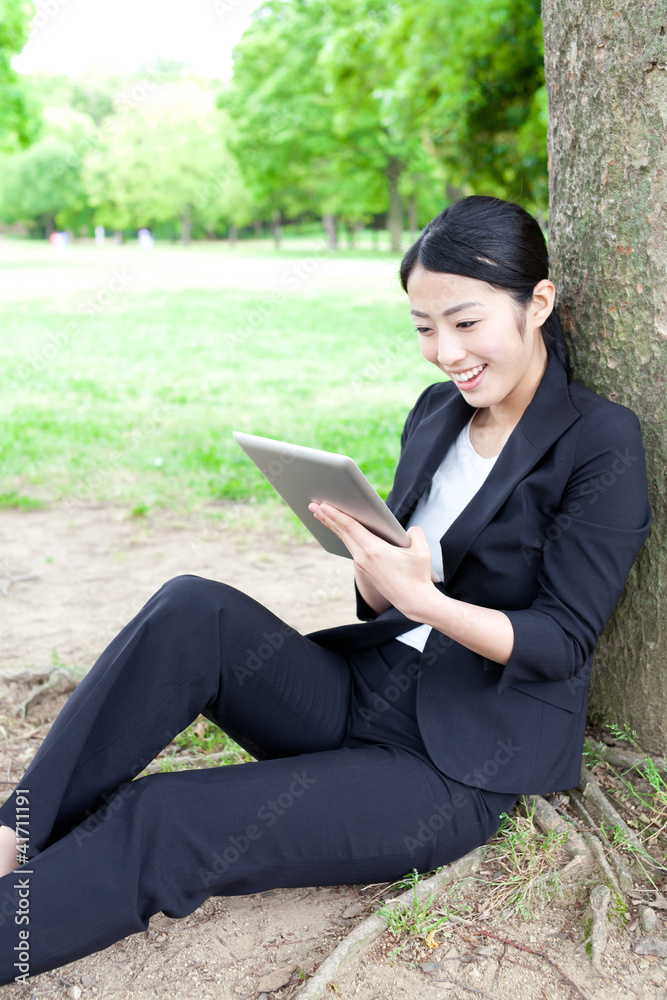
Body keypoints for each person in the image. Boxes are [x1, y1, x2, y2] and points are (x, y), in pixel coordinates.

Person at [0, 196, 653, 986]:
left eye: (465, 322)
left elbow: (562, 640)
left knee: (163, 817)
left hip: (454, 767)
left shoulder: (597, 438)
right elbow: (385, 601)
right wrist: (371, 567)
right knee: (189, 606)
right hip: (360, 691)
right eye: (421, 327)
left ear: (536, 304)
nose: (444, 351)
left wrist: (424, 601)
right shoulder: (436, 413)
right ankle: (14, 836)